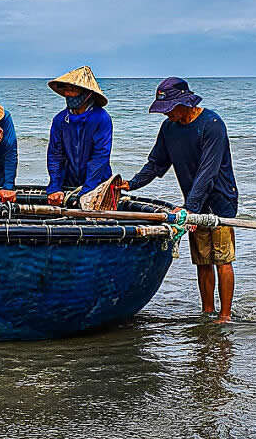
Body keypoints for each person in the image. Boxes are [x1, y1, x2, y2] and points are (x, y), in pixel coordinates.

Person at [121, 77, 238, 322]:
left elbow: (208, 172)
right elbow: (156, 164)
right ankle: (207, 312)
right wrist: (130, 185)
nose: (168, 115)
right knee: (202, 260)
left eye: (171, 109)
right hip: (192, 202)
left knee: (222, 258)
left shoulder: (212, 125)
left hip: (220, 201)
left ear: (185, 103)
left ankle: (225, 316)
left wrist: (188, 210)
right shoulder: (169, 129)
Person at [46, 65, 113, 205]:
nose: (69, 94)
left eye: (73, 90)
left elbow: (100, 157)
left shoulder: (101, 118)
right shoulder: (60, 120)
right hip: (68, 183)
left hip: (98, 184)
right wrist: (54, 187)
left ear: (87, 93)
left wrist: (86, 191)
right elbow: (55, 155)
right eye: (67, 90)